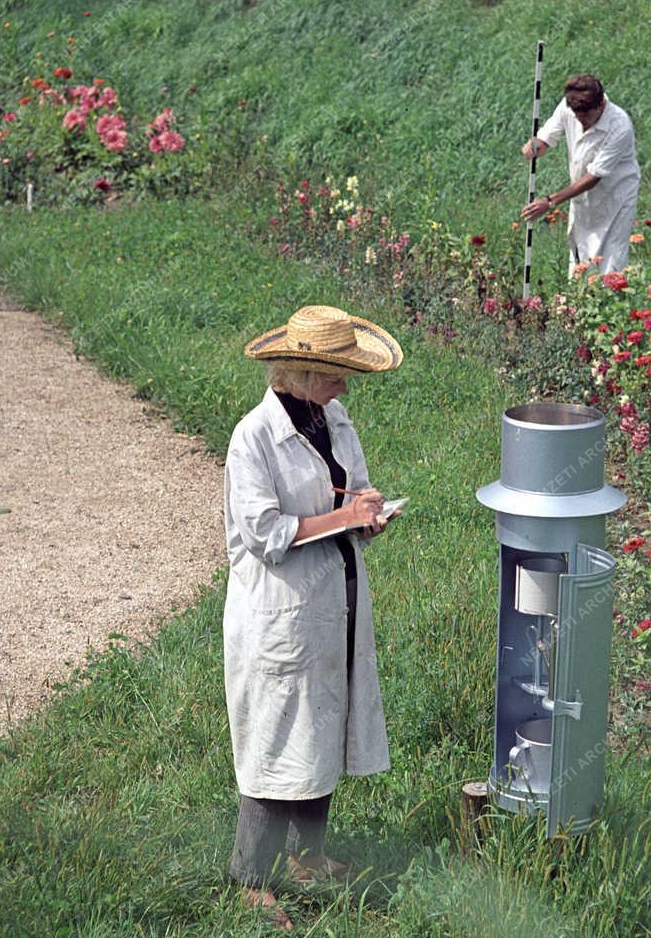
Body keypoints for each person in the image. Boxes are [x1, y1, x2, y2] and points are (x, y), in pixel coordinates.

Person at [223, 304, 403, 931]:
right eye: (336, 374)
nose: (346, 386)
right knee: (275, 737)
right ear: (300, 372)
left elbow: (351, 491)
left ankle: (308, 857)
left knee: (324, 726)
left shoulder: (334, 418)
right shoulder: (253, 437)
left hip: (335, 601)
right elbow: (265, 531)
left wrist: (368, 508)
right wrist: (345, 520)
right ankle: (250, 878)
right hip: (280, 610)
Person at [520, 73, 640, 276]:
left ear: (601, 104)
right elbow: (547, 136)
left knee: (610, 265)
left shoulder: (620, 126)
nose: (582, 122)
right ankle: (575, 305)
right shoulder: (570, 105)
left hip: (615, 200)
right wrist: (536, 145)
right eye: (578, 117)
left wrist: (549, 202)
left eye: (587, 116)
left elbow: (594, 177)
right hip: (582, 200)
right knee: (579, 262)